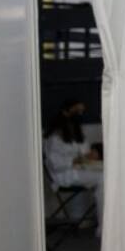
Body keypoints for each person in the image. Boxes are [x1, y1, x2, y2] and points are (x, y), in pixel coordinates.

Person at [44, 99, 103, 232]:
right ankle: (103, 227)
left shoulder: (77, 133)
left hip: (81, 169)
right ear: (65, 112)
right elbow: (55, 164)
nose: (79, 115)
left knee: (109, 175)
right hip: (65, 174)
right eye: (77, 111)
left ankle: (106, 222)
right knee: (103, 178)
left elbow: (85, 151)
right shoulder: (54, 137)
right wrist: (76, 160)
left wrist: (91, 154)